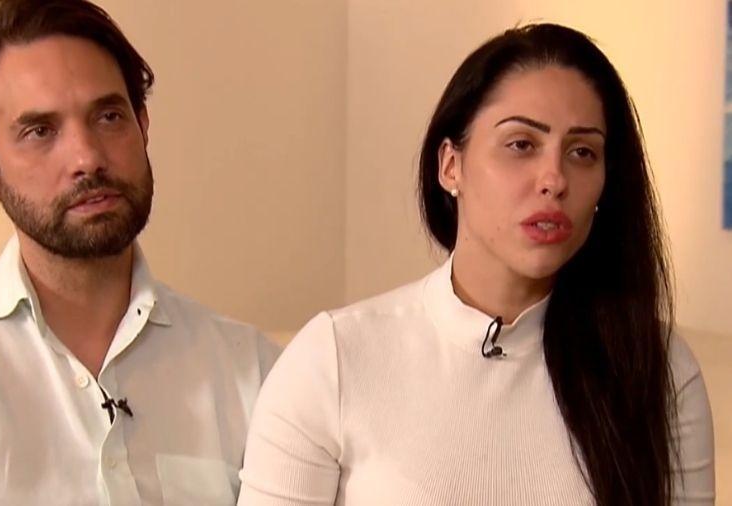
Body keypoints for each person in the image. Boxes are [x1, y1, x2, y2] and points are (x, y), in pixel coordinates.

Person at [238, 23, 714, 505]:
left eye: (582, 152)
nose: (554, 179)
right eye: (521, 144)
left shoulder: (658, 369)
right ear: (451, 166)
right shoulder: (334, 360)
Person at [0, 0, 279, 504]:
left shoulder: (255, 372)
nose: (87, 157)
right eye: (40, 131)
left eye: (109, 116)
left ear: (143, 126)